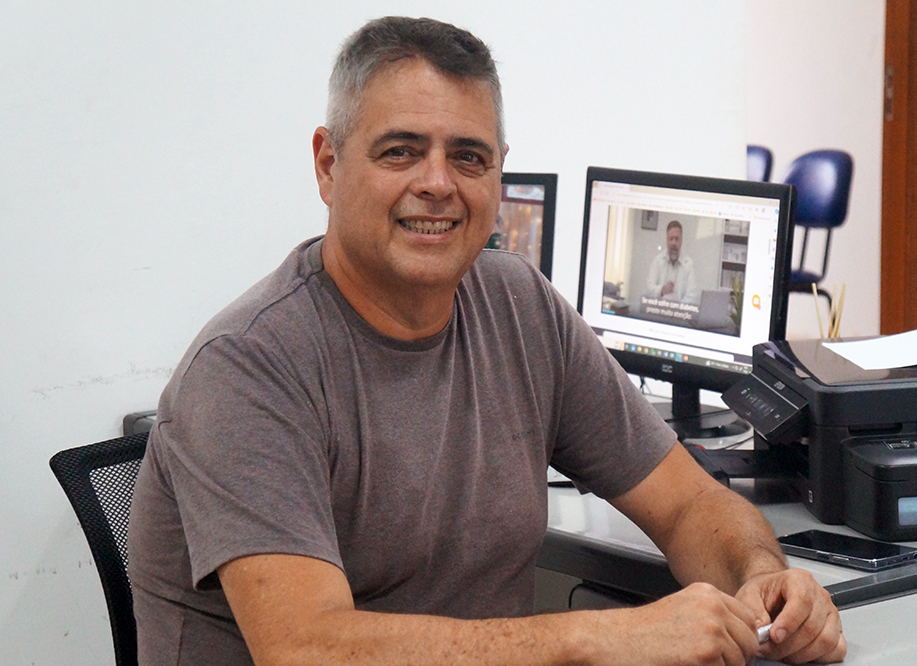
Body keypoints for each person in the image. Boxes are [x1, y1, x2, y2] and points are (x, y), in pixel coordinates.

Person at [127, 16, 846, 666]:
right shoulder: (248, 366)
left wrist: (763, 580)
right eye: (400, 151)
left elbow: (689, 505)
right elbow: (306, 648)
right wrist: (597, 638)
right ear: (327, 164)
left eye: (469, 157)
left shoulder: (519, 307)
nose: (438, 183)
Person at [645, 219, 699, 303]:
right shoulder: (657, 261)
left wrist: (676, 308)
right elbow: (648, 289)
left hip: (680, 310)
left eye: (677, 239)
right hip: (658, 309)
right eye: (671, 239)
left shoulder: (689, 264)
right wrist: (661, 290)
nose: (674, 243)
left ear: (681, 241)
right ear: (667, 240)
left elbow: (692, 296)